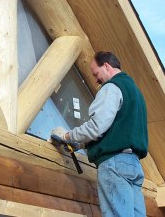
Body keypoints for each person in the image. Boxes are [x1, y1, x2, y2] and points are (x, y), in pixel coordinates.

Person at [51, 51, 148, 217]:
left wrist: (67, 136)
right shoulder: (136, 92)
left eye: (96, 74)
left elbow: (97, 126)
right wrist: (81, 144)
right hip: (134, 166)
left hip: (114, 164)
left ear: (107, 66)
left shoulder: (112, 87)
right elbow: (114, 129)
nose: (96, 80)